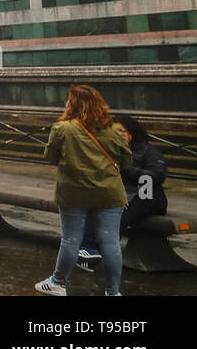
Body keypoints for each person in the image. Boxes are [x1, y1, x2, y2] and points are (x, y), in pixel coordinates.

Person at [35, 84, 132, 297]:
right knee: (111, 242)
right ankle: (113, 292)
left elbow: (50, 157)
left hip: (73, 192)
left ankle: (58, 283)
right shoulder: (116, 130)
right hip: (109, 193)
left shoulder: (62, 129)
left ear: (72, 104)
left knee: (71, 239)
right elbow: (126, 162)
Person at [78, 114, 169, 271]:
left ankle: (97, 253)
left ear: (131, 133)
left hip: (147, 197)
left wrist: (127, 169)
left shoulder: (148, 151)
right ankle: (87, 252)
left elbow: (156, 176)